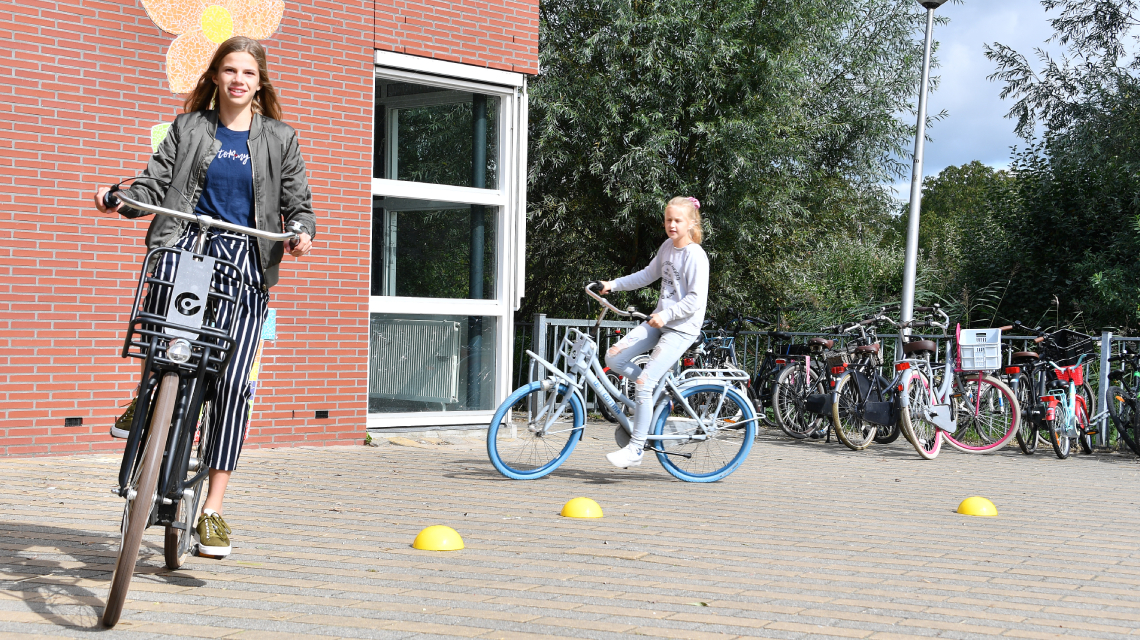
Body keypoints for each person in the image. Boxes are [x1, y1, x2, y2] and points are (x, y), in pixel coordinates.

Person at [93, 36, 316, 558]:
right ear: (215, 76)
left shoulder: (280, 139)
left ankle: (212, 510)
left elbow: (297, 202)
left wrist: (301, 230)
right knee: (166, 339)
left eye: (249, 73)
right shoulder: (189, 127)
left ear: (260, 83)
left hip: (245, 261)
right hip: (186, 245)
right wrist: (119, 199)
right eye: (229, 70)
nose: (239, 79)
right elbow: (155, 184)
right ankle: (149, 397)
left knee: (234, 383)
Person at [599, 196, 709, 469]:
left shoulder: (696, 255)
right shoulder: (667, 248)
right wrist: (612, 284)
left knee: (643, 383)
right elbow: (646, 275)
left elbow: (695, 299)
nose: (671, 225)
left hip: (681, 328)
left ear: (690, 223)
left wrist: (666, 314)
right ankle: (654, 395)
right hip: (660, 321)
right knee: (613, 357)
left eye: (677, 220)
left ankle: (636, 449)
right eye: (668, 220)